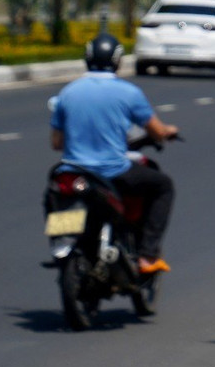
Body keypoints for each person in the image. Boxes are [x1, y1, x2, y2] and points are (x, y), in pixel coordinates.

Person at [49, 31, 180, 275]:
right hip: (113, 171)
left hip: (72, 170)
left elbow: (56, 142)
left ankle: (59, 241)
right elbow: (157, 131)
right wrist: (168, 131)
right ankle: (148, 255)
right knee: (163, 186)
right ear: (118, 61)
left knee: (55, 195)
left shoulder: (67, 93)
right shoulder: (129, 93)